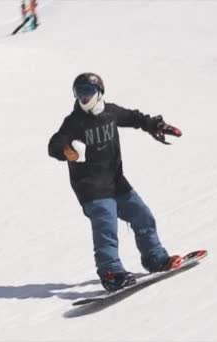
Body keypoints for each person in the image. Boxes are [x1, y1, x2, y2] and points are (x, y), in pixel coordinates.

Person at [48, 72, 183, 292]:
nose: (83, 98)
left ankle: (156, 259)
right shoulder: (74, 122)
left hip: (115, 181)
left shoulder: (110, 113)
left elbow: (136, 118)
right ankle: (111, 272)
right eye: (79, 93)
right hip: (90, 186)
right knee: (106, 227)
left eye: (88, 92)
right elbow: (54, 145)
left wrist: (156, 126)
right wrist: (66, 150)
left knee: (143, 216)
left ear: (99, 92)